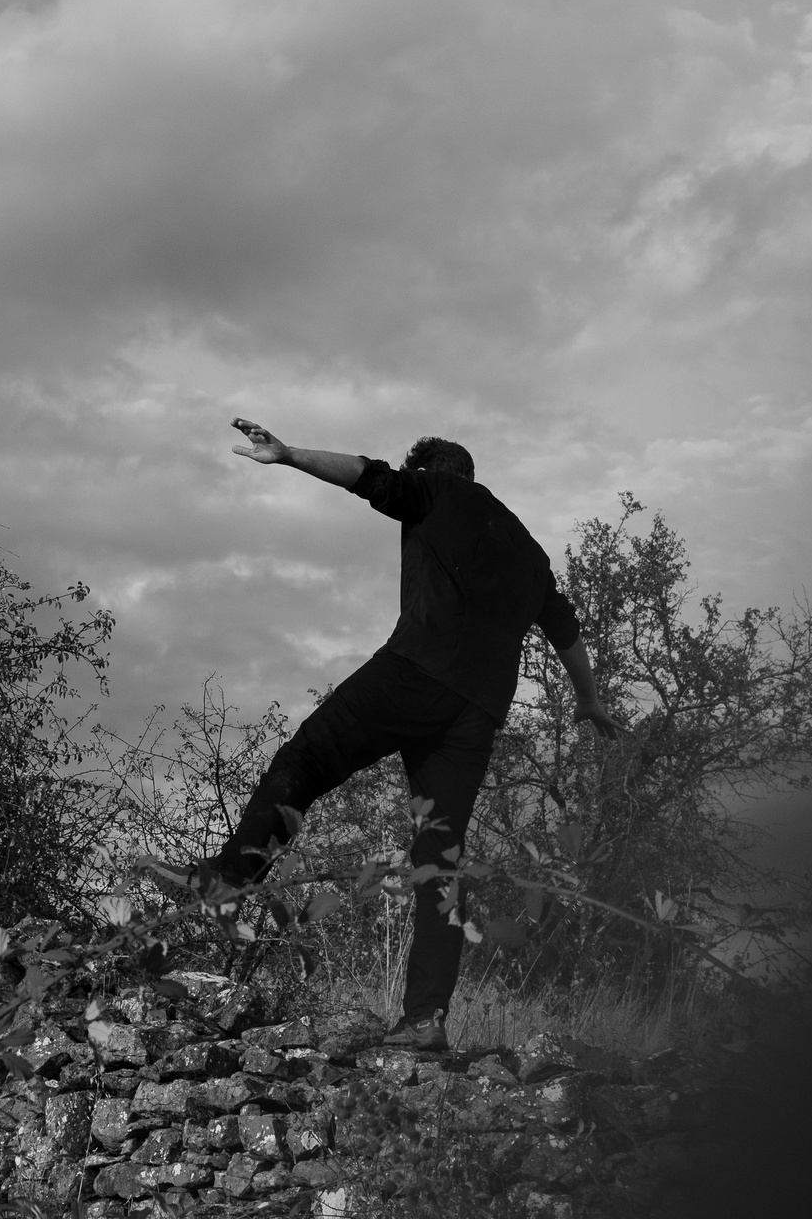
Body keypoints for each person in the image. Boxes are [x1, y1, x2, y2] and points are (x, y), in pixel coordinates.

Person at [146, 419, 621, 1050]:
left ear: (430, 470)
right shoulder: (528, 550)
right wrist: (588, 701)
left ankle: (230, 878)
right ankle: (426, 1021)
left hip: (415, 673)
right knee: (439, 861)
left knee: (306, 760)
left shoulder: (436, 490)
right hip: (476, 712)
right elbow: (566, 631)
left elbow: (367, 476)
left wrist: (288, 456)